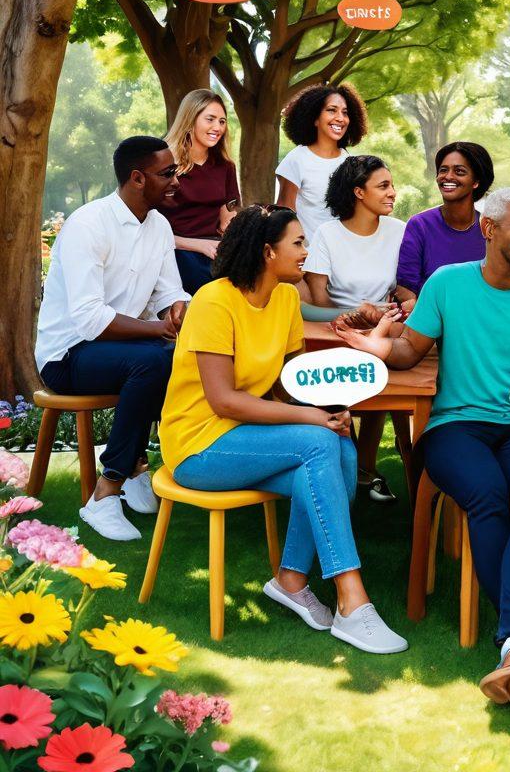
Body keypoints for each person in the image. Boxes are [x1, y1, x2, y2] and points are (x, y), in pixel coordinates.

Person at [335, 188, 510, 708]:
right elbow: (409, 351)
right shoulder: (447, 283)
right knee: (487, 496)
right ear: (489, 230)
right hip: (454, 425)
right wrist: (374, 345)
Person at [158, 205, 407, 654]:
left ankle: (291, 579)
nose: (306, 254)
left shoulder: (286, 298)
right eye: (298, 244)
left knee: (342, 448)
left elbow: (288, 382)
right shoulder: (214, 300)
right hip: (199, 444)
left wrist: (329, 411)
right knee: (317, 441)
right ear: (267, 251)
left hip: (248, 440)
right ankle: (353, 600)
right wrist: (311, 420)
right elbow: (224, 400)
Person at [36, 136, 190, 542]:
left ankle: (136, 463)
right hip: (67, 356)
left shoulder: (159, 225)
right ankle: (105, 493)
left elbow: (167, 292)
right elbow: (89, 320)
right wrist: (159, 329)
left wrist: (176, 310)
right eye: (167, 173)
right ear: (137, 178)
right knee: (155, 359)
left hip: (122, 348)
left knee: (178, 354)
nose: (176, 180)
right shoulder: (89, 223)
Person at [305, 155, 413, 501]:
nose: (392, 192)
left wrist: (382, 318)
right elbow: (318, 301)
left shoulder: (400, 231)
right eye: (383, 186)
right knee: (356, 373)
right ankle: (349, 468)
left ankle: (364, 468)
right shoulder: (327, 234)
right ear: (358, 192)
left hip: (384, 330)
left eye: (391, 184)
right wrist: (355, 313)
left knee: (380, 363)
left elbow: (406, 290)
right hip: (333, 331)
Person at [161, 89, 240, 294]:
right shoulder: (166, 165)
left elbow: (228, 218)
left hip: (214, 249)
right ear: (191, 119)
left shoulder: (225, 166)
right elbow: (151, 231)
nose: (217, 127)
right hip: (176, 250)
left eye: (222, 121)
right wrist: (199, 245)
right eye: (210, 119)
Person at [396, 142, 494, 295]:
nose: (448, 176)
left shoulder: (491, 230)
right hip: (429, 317)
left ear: (476, 182)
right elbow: (405, 290)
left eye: (459, 171)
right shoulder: (420, 225)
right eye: (443, 170)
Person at [275, 83, 368, 244]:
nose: (340, 118)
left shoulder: (349, 162)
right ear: (315, 118)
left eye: (345, 113)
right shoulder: (297, 159)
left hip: (343, 253)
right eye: (332, 110)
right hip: (309, 258)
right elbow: (284, 214)